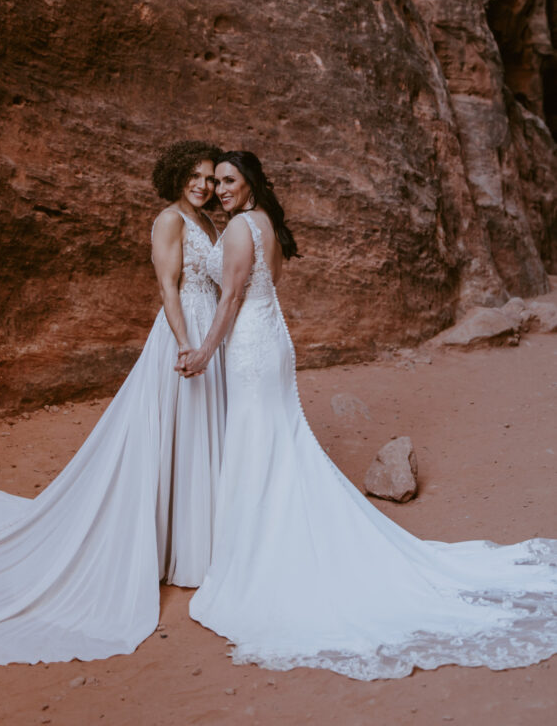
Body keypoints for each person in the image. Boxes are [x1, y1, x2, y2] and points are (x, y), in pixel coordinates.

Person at [181, 150, 557, 680]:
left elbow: (232, 298)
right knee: (274, 442)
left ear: (250, 184)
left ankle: (264, 555)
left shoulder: (242, 228)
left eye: (228, 180)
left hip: (249, 348)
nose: (220, 188)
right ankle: (273, 537)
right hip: (270, 343)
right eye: (215, 181)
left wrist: (203, 352)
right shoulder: (265, 223)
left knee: (258, 440)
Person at [0, 140, 226, 665]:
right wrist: (185, 344)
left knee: (197, 436)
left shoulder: (209, 225)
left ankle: (194, 546)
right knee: (172, 432)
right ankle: (157, 547)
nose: (201, 184)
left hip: (210, 335)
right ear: (177, 177)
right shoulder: (169, 220)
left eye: (208, 178)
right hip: (183, 336)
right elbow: (169, 289)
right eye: (193, 176)